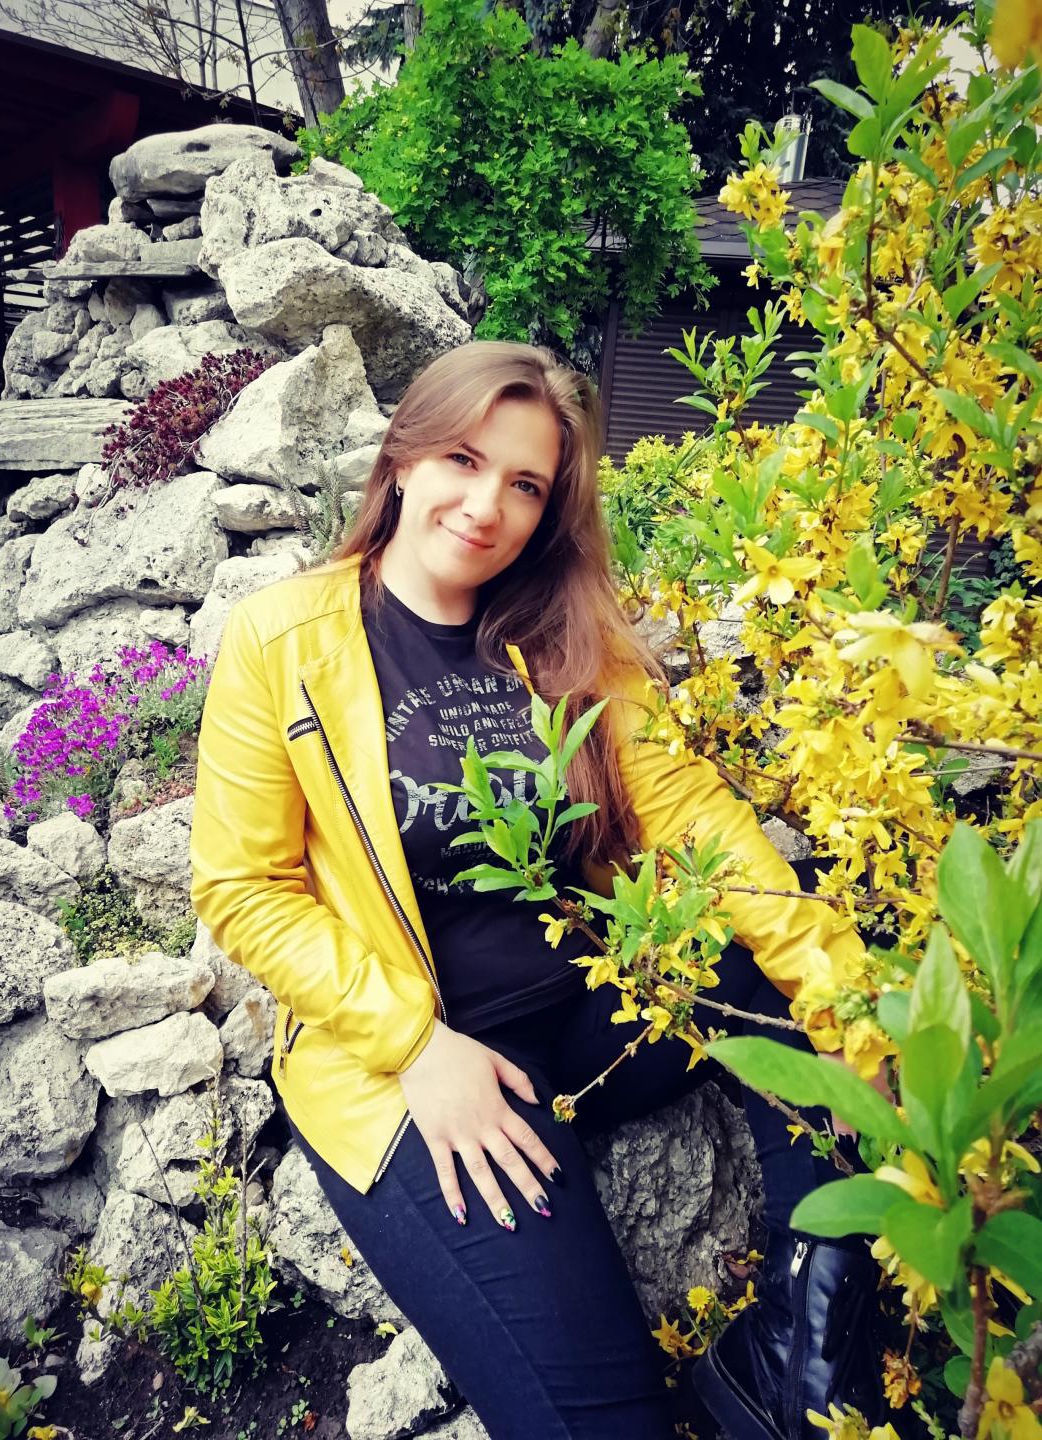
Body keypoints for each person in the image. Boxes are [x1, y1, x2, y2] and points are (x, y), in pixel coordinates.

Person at [189, 340, 883, 1440]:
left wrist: (849, 1007)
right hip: (429, 1055)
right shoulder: (284, 639)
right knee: (606, 1420)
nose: (487, 507)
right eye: (465, 462)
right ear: (405, 458)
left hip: (599, 1001)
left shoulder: (568, 638)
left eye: (525, 484)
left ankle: (798, 1342)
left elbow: (693, 816)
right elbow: (243, 888)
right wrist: (417, 1047)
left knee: (805, 990)